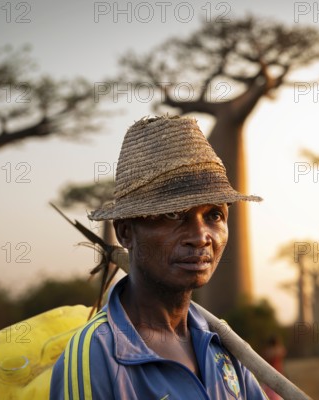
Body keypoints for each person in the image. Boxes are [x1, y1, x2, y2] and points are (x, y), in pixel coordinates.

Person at [49, 115, 266, 399]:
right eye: (173, 214)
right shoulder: (95, 357)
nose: (201, 237)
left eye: (214, 215)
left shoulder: (223, 345)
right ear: (125, 232)